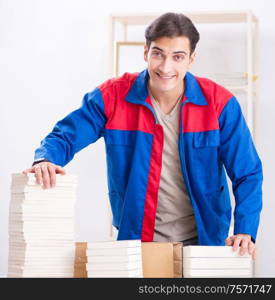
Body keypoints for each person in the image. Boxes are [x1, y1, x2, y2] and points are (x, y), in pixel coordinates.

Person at [23, 12, 263, 260]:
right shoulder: (113, 96)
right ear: (146, 52)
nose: (166, 67)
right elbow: (66, 135)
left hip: (205, 242)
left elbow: (247, 173)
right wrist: (46, 159)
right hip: (138, 241)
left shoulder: (220, 104)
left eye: (177, 57)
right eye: (158, 53)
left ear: (191, 59)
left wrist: (246, 229)